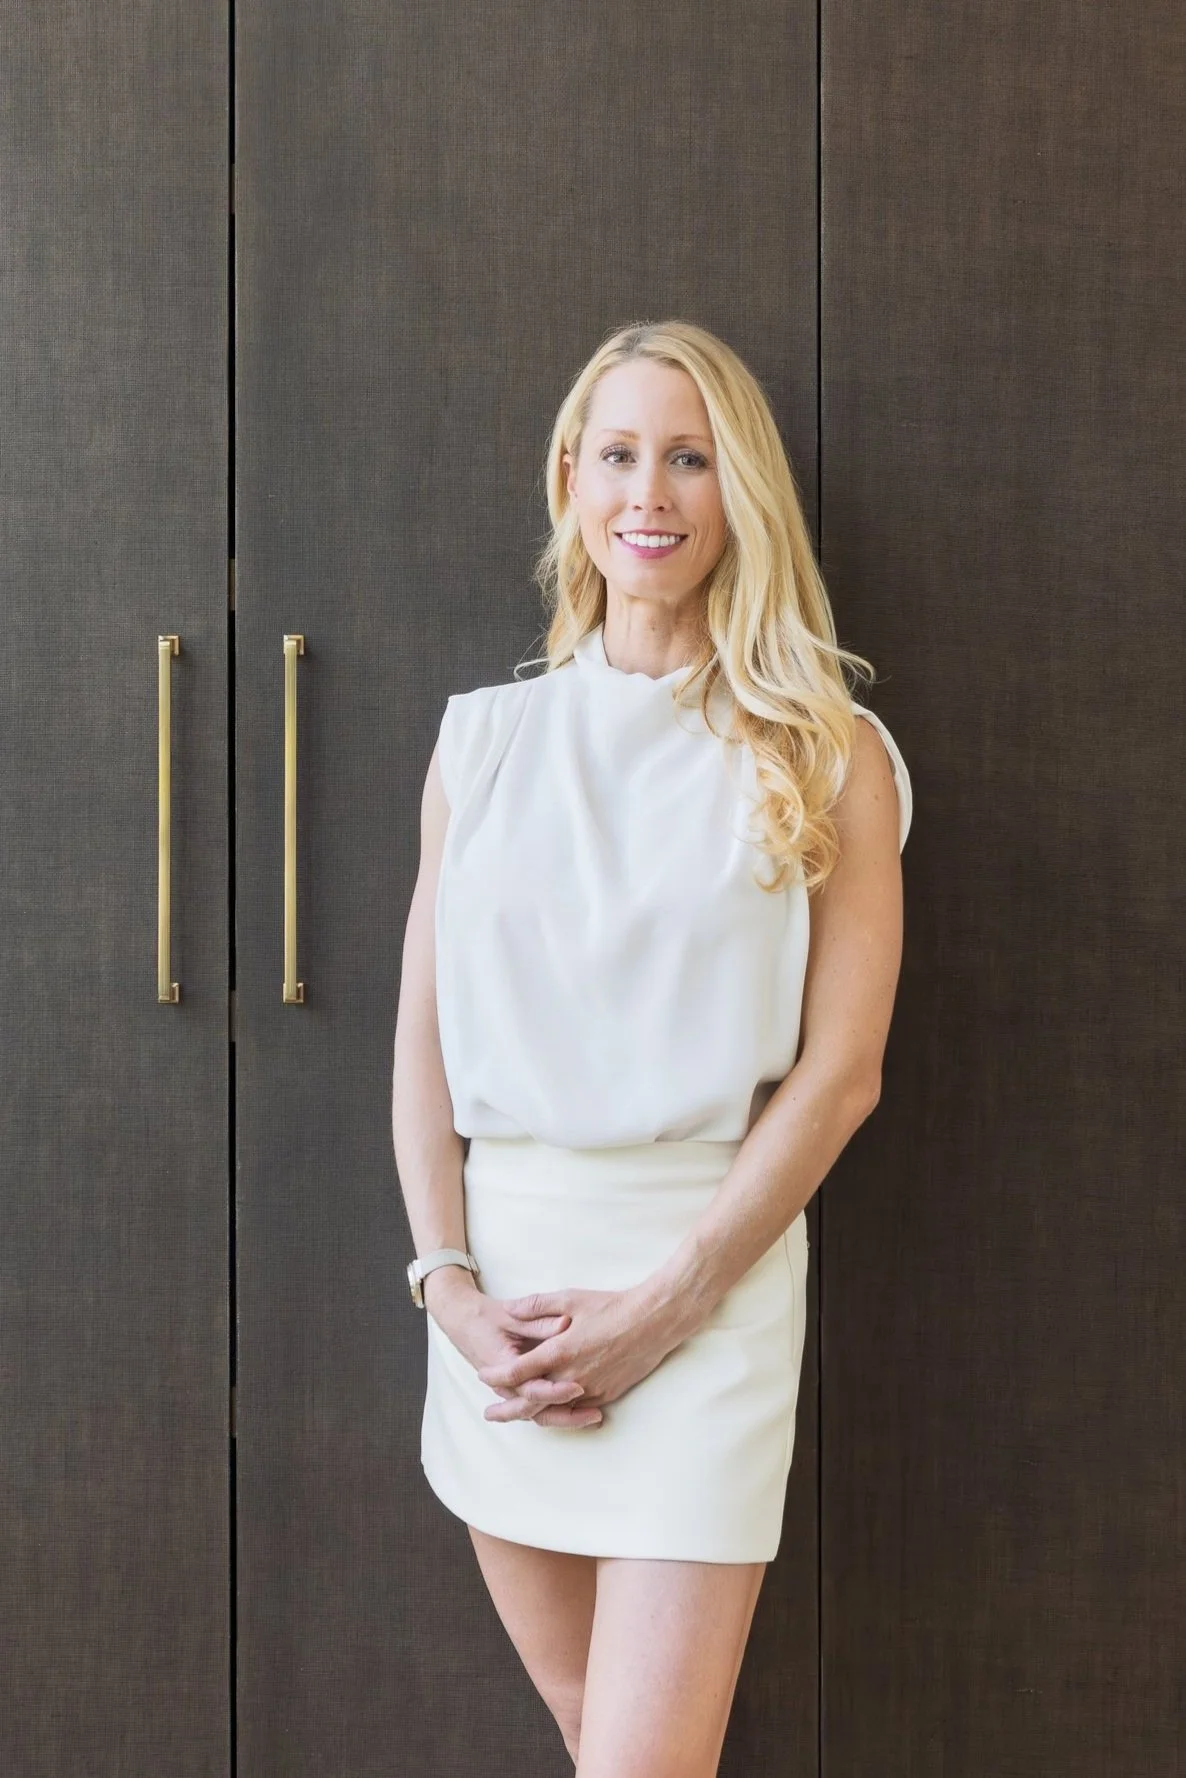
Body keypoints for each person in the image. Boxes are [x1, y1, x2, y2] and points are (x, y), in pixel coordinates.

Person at [391, 318, 912, 1777]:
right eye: (618, 453)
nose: (652, 492)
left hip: (711, 1294)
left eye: (689, 457)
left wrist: (671, 1301)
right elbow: (422, 1048)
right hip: (506, 1316)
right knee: (593, 1744)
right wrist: (447, 1286)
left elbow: (842, 1073)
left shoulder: (826, 749)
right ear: (569, 478)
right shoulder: (481, 742)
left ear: (736, 490)